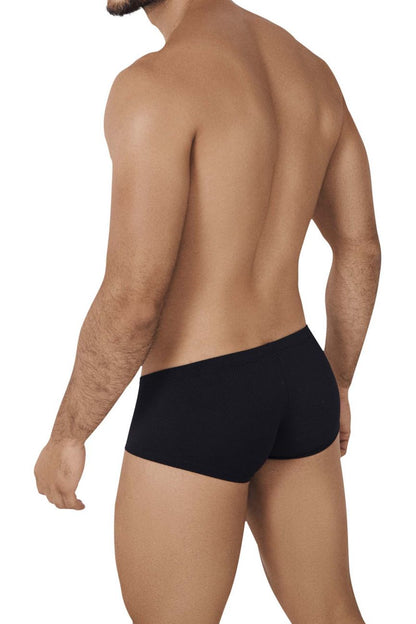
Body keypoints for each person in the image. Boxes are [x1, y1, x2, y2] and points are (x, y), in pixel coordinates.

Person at [34, 1, 382, 622]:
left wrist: (70, 432)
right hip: (300, 375)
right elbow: (361, 247)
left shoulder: (155, 85)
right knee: (333, 613)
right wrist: (338, 380)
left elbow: (134, 300)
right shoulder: (311, 71)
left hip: (202, 394)